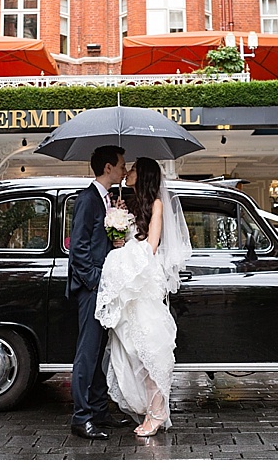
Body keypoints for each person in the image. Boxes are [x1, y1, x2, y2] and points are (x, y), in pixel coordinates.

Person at [95, 157, 192, 437]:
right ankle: (147, 407)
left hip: (143, 284)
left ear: (145, 174)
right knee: (131, 351)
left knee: (150, 350)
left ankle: (157, 413)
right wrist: (118, 231)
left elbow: (151, 245)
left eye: (134, 169)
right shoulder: (127, 203)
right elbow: (126, 239)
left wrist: (120, 257)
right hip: (128, 285)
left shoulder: (157, 205)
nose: (129, 172)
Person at [66, 145, 133, 440]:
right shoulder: (87, 199)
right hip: (92, 287)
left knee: (97, 354)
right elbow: (78, 247)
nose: (124, 169)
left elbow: (97, 241)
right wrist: (95, 281)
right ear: (108, 168)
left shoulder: (107, 200)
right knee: (86, 353)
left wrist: (116, 229)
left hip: (105, 286)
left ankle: (98, 410)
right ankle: (81, 418)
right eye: (121, 165)